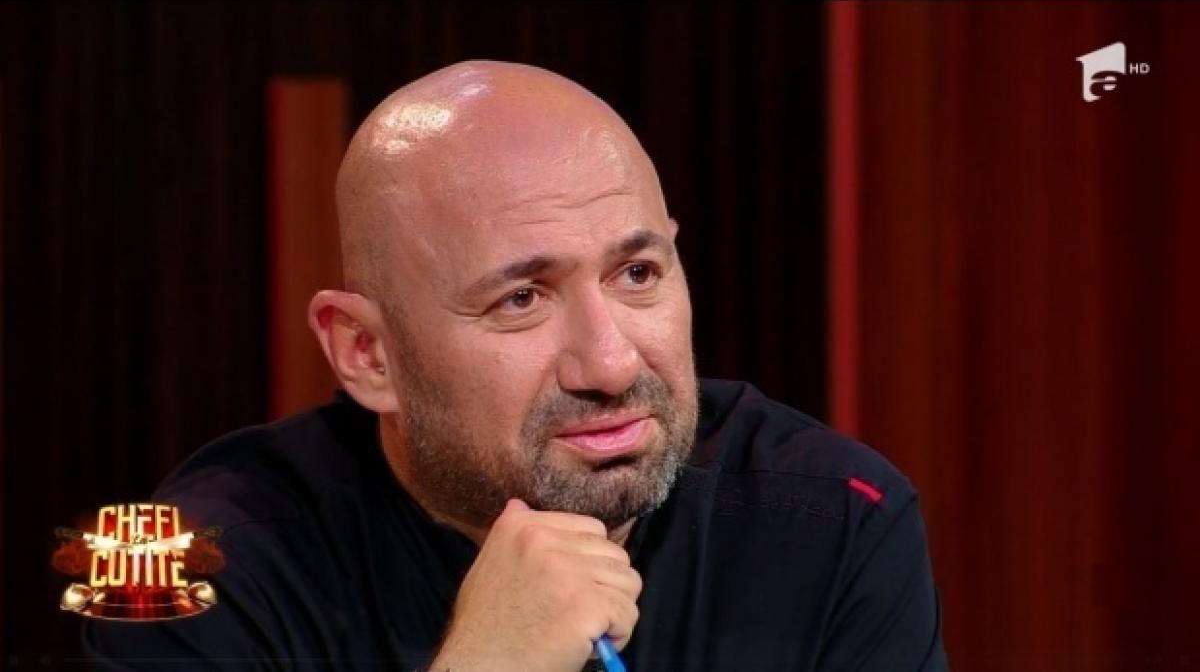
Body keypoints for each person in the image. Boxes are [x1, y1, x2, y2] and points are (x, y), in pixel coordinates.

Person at [85, 61, 947, 671]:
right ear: (367, 352)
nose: (610, 364)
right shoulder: (175, 567)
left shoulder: (836, 520)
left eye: (636, 274)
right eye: (522, 299)